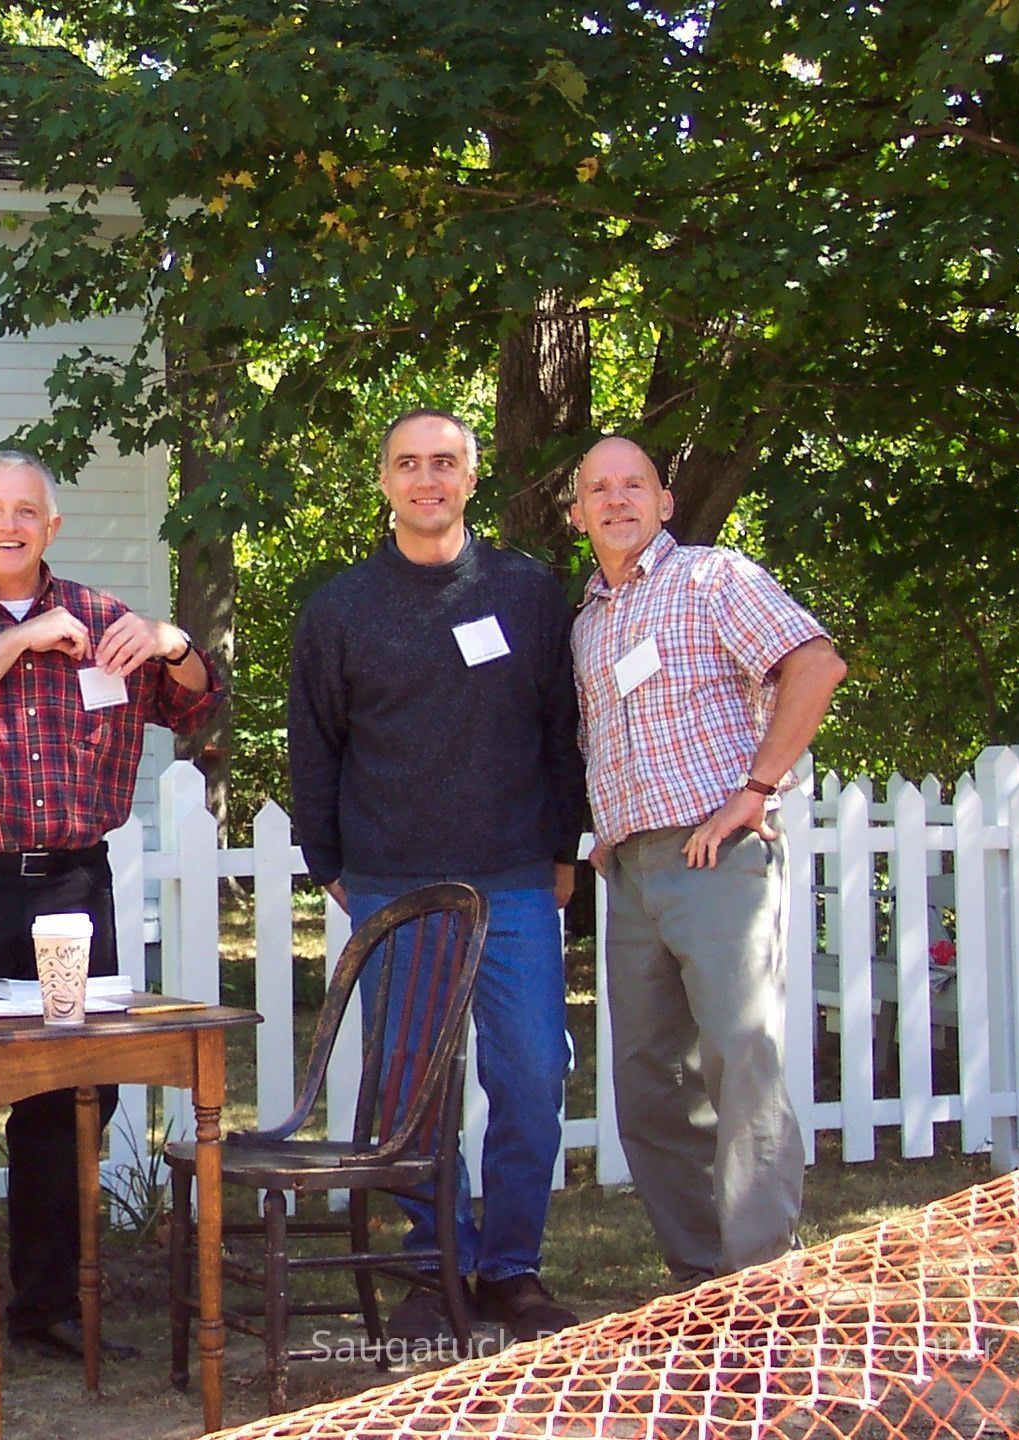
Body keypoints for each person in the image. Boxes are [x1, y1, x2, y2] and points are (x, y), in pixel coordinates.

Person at [0, 450, 223, 1379]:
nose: (9, 524)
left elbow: (200, 707)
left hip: (71, 892)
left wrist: (172, 642)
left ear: (52, 527)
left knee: (71, 1102)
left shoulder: (107, 621)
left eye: (26, 510)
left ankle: (47, 1309)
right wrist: (24, 639)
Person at [287, 409, 588, 1343]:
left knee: (532, 1072)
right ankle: (436, 1261)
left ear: (470, 478)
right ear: (383, 481)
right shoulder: (340, 608)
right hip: (394, 882)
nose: (428, 479)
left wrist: (563, 851)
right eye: (409, 464)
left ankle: (511, 1268)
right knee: (410, 1085)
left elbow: (563, 729)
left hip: (514, 880)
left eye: (445, 462)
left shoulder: (526, 592)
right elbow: (315, 744)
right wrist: (330, 863)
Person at [568, 435, 846, 1282]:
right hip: (631, 871)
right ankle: (699, 1282)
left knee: (739, 1060)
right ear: (577, 514)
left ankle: (761, 1278)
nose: (617, 500)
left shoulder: (711, 578)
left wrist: (755, 790)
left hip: (715, 856)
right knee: (647, 1084)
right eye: (598, 489)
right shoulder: (585, 624)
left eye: (634, 485)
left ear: (665, 502)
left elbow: (816, 664)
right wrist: (608, 832)